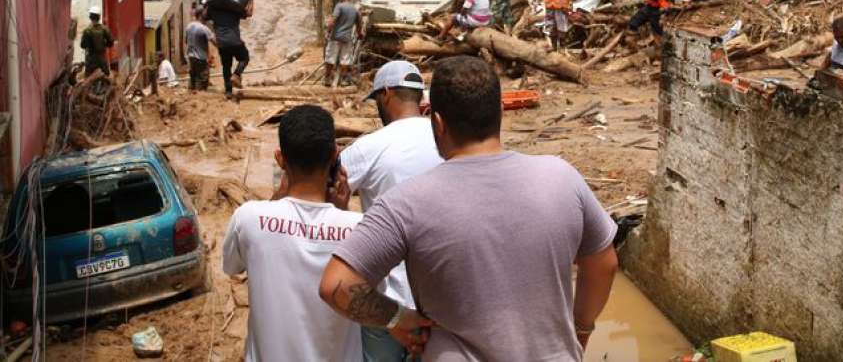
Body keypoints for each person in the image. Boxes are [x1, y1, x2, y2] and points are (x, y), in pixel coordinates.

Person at [321, 56, 619, 361]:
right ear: (501, 112)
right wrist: (581, 329)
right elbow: (603, 264)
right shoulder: (562, 178)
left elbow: (337, 285)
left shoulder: (405, 203)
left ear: (437, 123)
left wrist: (397, 318)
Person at [223, 104, 363, 362]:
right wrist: (340, 212)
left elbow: (231, 267)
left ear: (280, 159)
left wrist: (275, 200)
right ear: (334, 155)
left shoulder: (249, 218)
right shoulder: (359, 228)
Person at [333, 61, 443, 361]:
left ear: (387, 94)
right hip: (443, 297)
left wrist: (341, 209)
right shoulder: (447, 139)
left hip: (389, 305)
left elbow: (323, 194)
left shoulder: (368, 148)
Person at [207, 0, 254, 98]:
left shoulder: (213, 11)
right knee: (244, 58)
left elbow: (204, 15)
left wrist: (209, 4)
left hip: (222, 44)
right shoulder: (234, 9)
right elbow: (249, 13)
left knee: (226, 66)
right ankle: (237, 74)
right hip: (235, 41)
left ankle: (228, 91)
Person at [325, 0, 364, 87]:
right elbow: (359, 25)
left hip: (335, 37)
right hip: (347, 38)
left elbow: (332, 20)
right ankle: (344, 80)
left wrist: (328, 31)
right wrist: (360, 35)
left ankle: (327, 79)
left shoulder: (339, 6)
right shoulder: (355, 10)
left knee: (330, 57)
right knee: (345, 59)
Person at [185, 7, 216, 91]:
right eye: (205, 14)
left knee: (193, 81)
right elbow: (215, 43)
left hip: (191, 58)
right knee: (202, 82)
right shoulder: (204, 28)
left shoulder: (189, 26)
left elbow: (186, 42)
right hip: (201, 59)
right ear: (201, 15)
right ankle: (199, 97)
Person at [80, 5, 115, 76]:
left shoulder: (87, 31)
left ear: (90, 17)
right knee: (106, 78)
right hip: (102, 59)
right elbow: (111, 42)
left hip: (90, 60)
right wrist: (104, 44)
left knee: (89, 80)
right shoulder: (104, 29)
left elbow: (83, 45)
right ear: (99, 17)